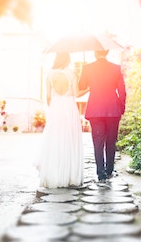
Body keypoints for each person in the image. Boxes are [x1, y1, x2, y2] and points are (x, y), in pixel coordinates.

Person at [38, 52, 88, 188]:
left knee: (55, 140)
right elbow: (77, 94)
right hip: (69, 107)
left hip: (55, 108)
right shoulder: (72, 73)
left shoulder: (49, 74)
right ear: (67, 60)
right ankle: (70, 176)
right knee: (70, 139)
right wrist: (88, 89)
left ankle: (54, 174)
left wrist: (54, 108)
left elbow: (48, 97)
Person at [78, 49, 126, 182]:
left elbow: (81, 86)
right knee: (111, 141)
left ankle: (100, 172)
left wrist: (84, 70)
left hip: (95, 110)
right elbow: (122, 90)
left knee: (98, 142)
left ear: (95, 53)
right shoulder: (116, 68)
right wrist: (121, 108)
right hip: (113, 110)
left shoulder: (88, 68)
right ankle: (109, 170)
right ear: (107, 52)